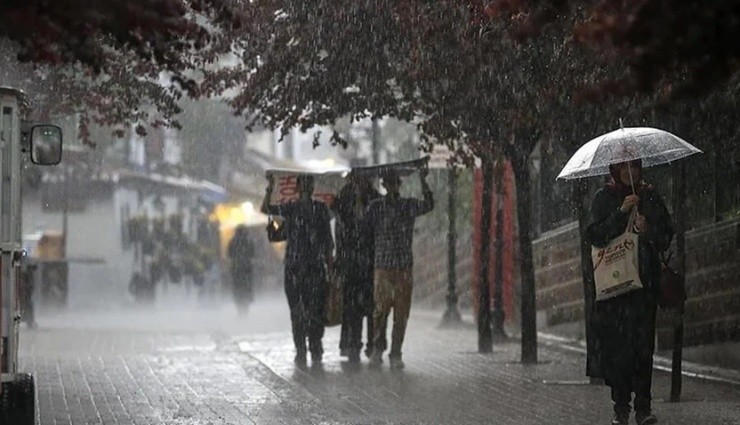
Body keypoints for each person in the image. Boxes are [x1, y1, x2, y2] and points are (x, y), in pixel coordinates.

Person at [586, 159, 673, 425]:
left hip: (643, 288)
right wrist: (621, 214)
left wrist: (650, 229)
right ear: (614, 170)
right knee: (619, 350)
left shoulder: (649, 195)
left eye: (634, 166)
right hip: (615, 290)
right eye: (623, 167)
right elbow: (595, 235)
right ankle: (620, 408)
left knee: (643, 348)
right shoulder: (604, 198)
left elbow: (666, 236)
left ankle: (643, 408)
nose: (629, 172)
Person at [261, 174, 334, 367]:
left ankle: (315, 346)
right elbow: (266, 209)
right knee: (297, 311)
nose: (306, 189)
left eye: (309, 185)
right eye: (303, 185)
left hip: (315, 268)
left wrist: (330, 264)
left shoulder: (320, 209)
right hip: (294, 268)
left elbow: (327, 240)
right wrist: (270, 188)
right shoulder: (291, 209)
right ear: (298, 188)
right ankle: (301, 348)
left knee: (315, 310)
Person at [365, 167, 434, 370]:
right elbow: (363, 225)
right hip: (383, 267)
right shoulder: (376, 207)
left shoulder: (408, 205)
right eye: (389, 183)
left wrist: (423, 181)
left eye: (395, 183)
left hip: (403, 266)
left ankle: (396, 352)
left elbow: (429, 204)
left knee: (401, 314)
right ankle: (378, 348)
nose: (392, 186)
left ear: (398, 185)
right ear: (385, 185)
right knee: (380, 312)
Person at [332, 173, 380, 364]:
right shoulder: (344, 199)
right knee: (352, 307)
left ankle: (372, 344)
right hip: (351, 262)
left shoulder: (375, 199)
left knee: (371, 307)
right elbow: (340, 230)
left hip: (369, 262)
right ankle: (353, 344)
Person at [227, 225, 256, 313]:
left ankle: (239, 304)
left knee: (238, 287)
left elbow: (229, 254)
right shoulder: (249, 241)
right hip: (247, 268)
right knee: (247, 286)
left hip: (236, 268)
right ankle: (246, 304)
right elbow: (253, 254)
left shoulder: (233, 241)